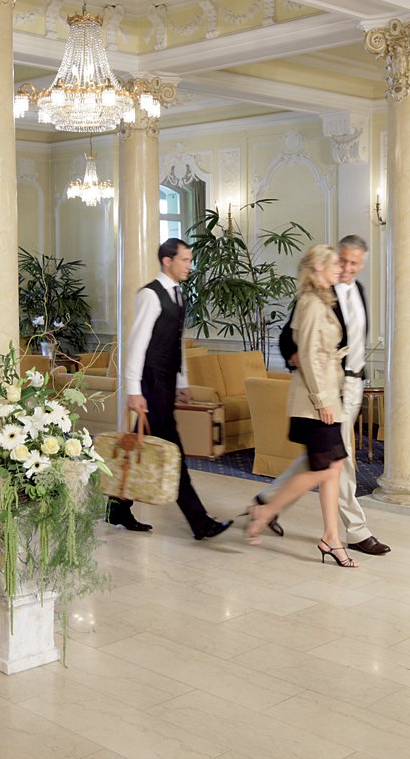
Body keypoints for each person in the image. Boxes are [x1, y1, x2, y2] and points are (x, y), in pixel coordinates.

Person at [252, 236, 390, 556]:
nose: (347, 268)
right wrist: (299, 359)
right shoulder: (317, 296)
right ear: (331, 261)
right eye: (342, 261)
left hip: (354, 382)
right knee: (339, 459)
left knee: (326, 456)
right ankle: (353, 530)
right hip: (329, 387)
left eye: (354, 263)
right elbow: (290, 337)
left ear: (362, 264)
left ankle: (269, 502)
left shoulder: (358, 292)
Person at [106, 238, 234, 540]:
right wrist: (134, 391)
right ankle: (199, 522)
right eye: (185, 260)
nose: (190, 266)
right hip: (151, 382)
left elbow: (176, 343)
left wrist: (182, 381)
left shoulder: (177, 295)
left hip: (165, 380)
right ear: (168, 261)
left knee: (142, 443)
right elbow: (137, 344)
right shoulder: (150, 295)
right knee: (172, 451)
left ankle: (118, 508)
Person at [247, 245, 357, 566]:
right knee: (321, 468)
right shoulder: (309, 303)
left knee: (332, 466)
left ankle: (331, 538)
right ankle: (264, 511)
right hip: (314, 399)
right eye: (334, 263)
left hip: (328, 394)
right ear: (317, 268)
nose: (340, 268)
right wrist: (323, 400)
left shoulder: (325, 300)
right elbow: (306, 355)